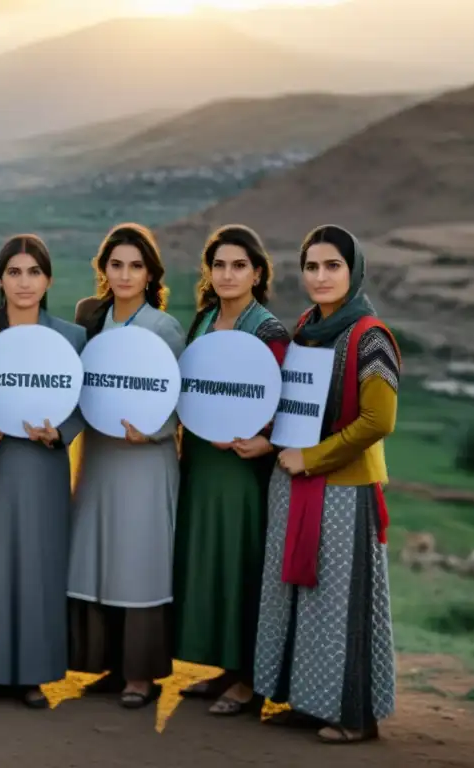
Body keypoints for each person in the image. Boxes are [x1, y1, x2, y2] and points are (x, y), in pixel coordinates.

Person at [255, 225, 400, 744]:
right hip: (294, 481)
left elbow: (378, 421)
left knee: (341, 602)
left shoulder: (371, 337)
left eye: (332, 266)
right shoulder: (305, 327)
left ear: (353, 271)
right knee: (300, 596)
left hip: (342, 489)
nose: (320, 277)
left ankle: (354, 715)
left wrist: (312, 458)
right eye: (312, 267)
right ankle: (309, 702)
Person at [0, 235, 86, 709]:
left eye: (34, 272)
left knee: (38, 567)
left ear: (48, 280)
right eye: (14, 272)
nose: (24, 282)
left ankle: (33, 674)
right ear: (0, 279)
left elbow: (83, 403)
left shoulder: (71, 337)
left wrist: (60, 432)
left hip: (41, 467)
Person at [173, 225, 290, 716]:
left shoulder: (269, 332)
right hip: (202, 461)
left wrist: (266, 441)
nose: (227, 274)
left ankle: (249, 681)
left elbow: (288, 402)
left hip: (242, 467)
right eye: (219, 265)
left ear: (257, 273)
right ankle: (225, 667)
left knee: (243, 563)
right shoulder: (204, 321)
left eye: (239, 265)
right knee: (211, 561)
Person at [68, 223, 186, 709]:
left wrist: (153, 432)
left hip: (145, 460)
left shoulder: (164, 328)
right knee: (100, 555)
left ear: (150, 273)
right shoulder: (90, 320)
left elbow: (181, 399)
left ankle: (141, 675)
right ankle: (110, 666)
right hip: (99, 457)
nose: (124, 274)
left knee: (139, 559)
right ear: (104, 270)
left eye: (135, 266)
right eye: (115, 265)